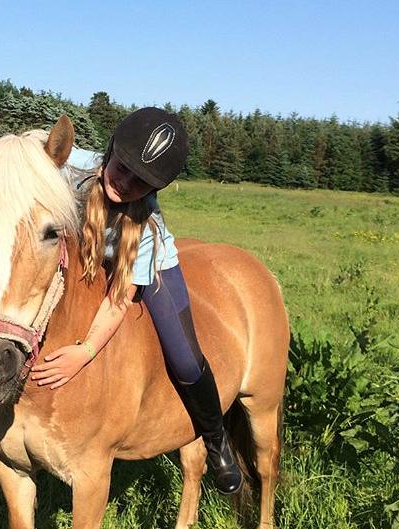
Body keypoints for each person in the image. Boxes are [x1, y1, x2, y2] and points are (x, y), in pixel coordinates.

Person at [30, 107, 242, 495]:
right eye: (122, 168)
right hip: (87, 254)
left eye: (141, 183)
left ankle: (215, 437)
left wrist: (87, 351)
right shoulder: (70, 167)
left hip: (150, 269)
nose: (125, 184)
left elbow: (118, 300)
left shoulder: (148, 230)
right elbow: (28, 151)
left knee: (184, 357)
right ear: (109, 151)